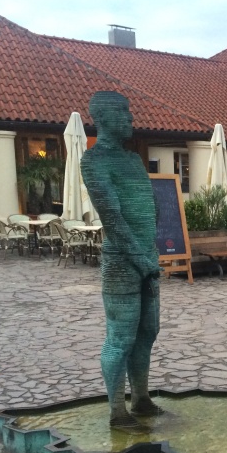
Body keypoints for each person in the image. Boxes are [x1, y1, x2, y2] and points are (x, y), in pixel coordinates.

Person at [81, 91, 163, 428]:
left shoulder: (133, 160)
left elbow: (149, 209)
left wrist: (151, 254)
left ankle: (141, 397)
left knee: (148, 331)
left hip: (148, 257)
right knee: (121, 337)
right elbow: (112, 217)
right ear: (103, 118)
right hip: (122, 262)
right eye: (124, 114)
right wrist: (140, 259)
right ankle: (117, 408)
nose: (131, 120)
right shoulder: (93, 160)